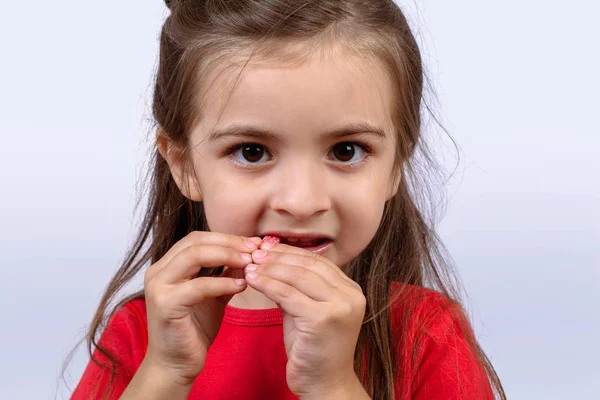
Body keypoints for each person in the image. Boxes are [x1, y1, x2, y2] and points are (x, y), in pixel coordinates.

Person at [70, 0, 506, 399]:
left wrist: (333, 386)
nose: (301, 202)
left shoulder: (425, 335)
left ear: (395, 166)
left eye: (346, 150)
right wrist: (165, 372)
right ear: (184, 165)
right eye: (252, 152)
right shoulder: (146, 334)